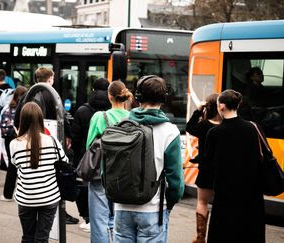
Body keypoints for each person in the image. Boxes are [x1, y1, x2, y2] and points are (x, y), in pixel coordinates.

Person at [112, 76, 184, 243]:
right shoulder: (170, 132)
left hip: (122, 207)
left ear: (137, 97)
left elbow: (107, 168)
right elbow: (176, 182)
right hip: (153, 208)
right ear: (164, 98)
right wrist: (169, 203)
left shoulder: (121, 125)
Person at [13, 67, 77, 224]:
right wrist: (68, 135)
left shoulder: (27, 95)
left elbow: (16, 119)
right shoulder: (51, 94)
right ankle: (59, 210)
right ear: (50, 79)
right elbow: (62, 116)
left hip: (25, 145)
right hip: (47, 141)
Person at [204, 89, 265, 242]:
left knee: (224, 234)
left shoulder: (214, 133)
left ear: (221, 107)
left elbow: (209, 163)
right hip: (252, 194)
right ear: (238, 105)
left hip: (225, 195)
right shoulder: (254, 129)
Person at [10, 102, 65, 243]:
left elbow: (15, 164)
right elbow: (64, 160)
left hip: (26, 198)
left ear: (22, 120)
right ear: (40, 119)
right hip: (49, 197)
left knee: (27, 237)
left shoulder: (14, 144)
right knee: (42, 238)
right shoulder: (52, 141)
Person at [86, 81, 131, 243]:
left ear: (109, 96)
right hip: (126, 177)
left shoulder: (100, 117)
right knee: (120, 222)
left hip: (102, 175)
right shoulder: (133, 118)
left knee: (99, 222)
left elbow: (90, 146)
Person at [71, 78, 111, 232]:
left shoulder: (82, 110)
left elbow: (75, 137)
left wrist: (78, 154)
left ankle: (88, 218)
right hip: (108, 159)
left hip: (86, 156)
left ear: (93, 90)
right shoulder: (111, 111)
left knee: (85, 187)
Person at [186, 93, 221, 243]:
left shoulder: (204, 126)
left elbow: (189, 127)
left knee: (202, 202)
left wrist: (198, 110)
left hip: (206, 170)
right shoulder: (228, 126)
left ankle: (200, 238)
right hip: (223, 171)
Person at [0, 85, 27, 202]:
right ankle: (18, 192)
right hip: (19, 137)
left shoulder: (7, 107)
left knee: (12, 163)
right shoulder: (24, 107)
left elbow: (0, 122)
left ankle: (7, 194)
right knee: (21, 164)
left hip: (8, 138)